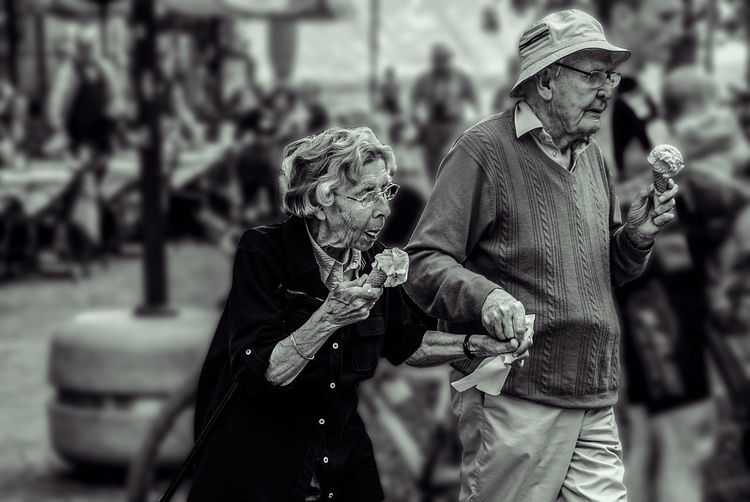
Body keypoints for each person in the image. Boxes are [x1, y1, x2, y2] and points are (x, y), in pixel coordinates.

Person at [404, 10, 679, 501]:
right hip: (516, 390)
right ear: (547, 81)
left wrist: (634, 238)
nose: (607, 89)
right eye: (592, 75)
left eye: (610, 76)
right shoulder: (482, 151)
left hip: (592, 385)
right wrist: (487, 298)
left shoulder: (592, 155)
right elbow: (424, 262)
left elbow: (603, 272)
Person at [187, 127, 520, 502]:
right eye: (367, 195)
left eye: (386, 191)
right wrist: (329, 317)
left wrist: (479, 345)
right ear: (322, 200)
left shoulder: (373, 262)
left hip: (339, 457)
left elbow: (405, 342)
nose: (384, 209)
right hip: (260, 466)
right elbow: (265, 370)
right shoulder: (263, 253)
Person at [411, 43, 479, 183]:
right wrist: (418, 124)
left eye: (444, 59)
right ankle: (435, 190)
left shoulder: (460, 78)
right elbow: (414, 101)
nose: (441, 63)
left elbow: (474, 99)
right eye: (438, 59)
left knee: (455, 160)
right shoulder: (425, 80)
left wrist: (475, 121)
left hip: (454, 125)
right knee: (433, 164)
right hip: (433, 125)